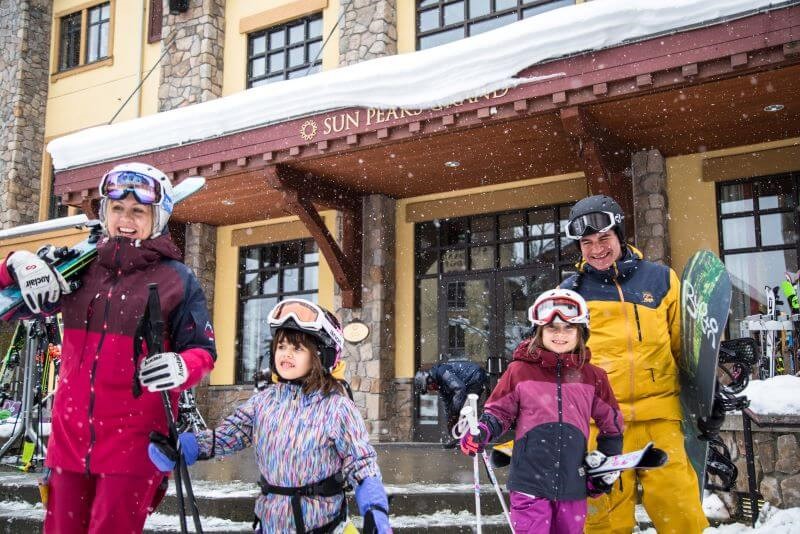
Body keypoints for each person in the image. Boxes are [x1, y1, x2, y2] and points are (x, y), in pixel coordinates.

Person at [0, 162, 217, 533]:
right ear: (104, 212)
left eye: (138, 211)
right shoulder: (78, 267)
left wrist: (182, 367)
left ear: (158, 217)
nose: (126, 219)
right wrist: (16, 264)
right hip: (68, 442)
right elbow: (10, 302)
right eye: (117, 209)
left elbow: (203, 351)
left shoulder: (176, 279)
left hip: (134, 446)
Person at [147, 298, 391, 534]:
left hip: (325, 528)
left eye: (297, 348)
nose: (286, 354)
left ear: (321, 355)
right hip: (270, 526)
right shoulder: (263, 403)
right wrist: (183, 446)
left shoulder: (337, 408)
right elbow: (224, 438)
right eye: (281, 346)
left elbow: (362, 465)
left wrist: (375, 510)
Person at [561, 194, 708, 533]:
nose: (597, 249)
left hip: (660, 418)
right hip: (601, 426)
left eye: (604, 239)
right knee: (605, 521)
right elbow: (558, 362)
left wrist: (706, 398)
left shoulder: (660, 280)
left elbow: (684, 348)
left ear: (620, 235)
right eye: (587, 243)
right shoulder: (570, 293)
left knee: (682, 516)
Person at [459, 288, 624, 534]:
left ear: (581, 333)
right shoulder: (519, 371)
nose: (560, 335)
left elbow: (613, 427)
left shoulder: (593, 377)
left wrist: (604, 466)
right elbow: (498, 413)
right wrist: (481, 431)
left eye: (569, 328)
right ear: (539, 331)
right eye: (552, 328)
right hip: (528, 482)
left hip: (574, 482)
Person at [414, 359, 489, 446]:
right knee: (457, 410)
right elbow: (447, 405)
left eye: (428, 388)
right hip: (467, 384)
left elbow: (459, 388)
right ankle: (457, 437)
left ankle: (469, 439)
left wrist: (455, 411)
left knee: (465, 409)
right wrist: (450, 422)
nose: (431, 390)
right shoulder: (441, 386)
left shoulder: (442, 372)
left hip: (475, 377)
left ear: (429, 380)